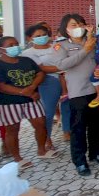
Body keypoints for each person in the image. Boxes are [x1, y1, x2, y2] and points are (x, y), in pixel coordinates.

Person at [52, 13, 99, 176]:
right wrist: (85, 50)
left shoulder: (94, 41)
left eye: (80, 24)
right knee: (78, 127)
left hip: (97, 89)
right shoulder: (61, 46)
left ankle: (96, 153)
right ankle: (80, 160)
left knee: (96, 123)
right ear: (66, 29)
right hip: (78, 92)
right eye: (73, 25)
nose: (78, 28)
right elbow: (61, 65)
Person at [0, 36, 55, 168]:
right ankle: (17, 158)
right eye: (10, 45)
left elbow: (39, 74)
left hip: (31, 99)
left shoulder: (26, 60)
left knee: (40, 124)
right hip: (9, 103)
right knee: (13, 129)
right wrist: (21, 92)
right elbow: (1, 85)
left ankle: (42, 150)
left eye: (16, 44)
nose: (15, 46)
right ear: (1, 49)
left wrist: (32, 87)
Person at [22, 23, 67, 152]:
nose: (42, 37)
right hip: (47, 81)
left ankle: (67, 132)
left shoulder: (57, 46)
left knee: (67, 106)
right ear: (30, 38)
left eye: (44, 35)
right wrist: (64, 67)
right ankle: (46, 139)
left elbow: (67, 58)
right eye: (38, 36)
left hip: (65, 78)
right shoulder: (28, 53)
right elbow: (41, 68)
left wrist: (65, 66)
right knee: (48, 112)